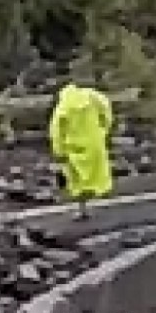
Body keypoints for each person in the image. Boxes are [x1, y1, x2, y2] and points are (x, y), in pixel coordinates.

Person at [48, 82, 114, 218]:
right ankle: (96, 193)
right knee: (97, 173)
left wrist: (58, 151)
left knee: (77, 180)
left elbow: (56, 131)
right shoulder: (92, 97)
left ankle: (82, 208)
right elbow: (106, 107)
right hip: (94, 142)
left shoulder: (63, 107)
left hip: (74, 147)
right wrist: (104, 127)